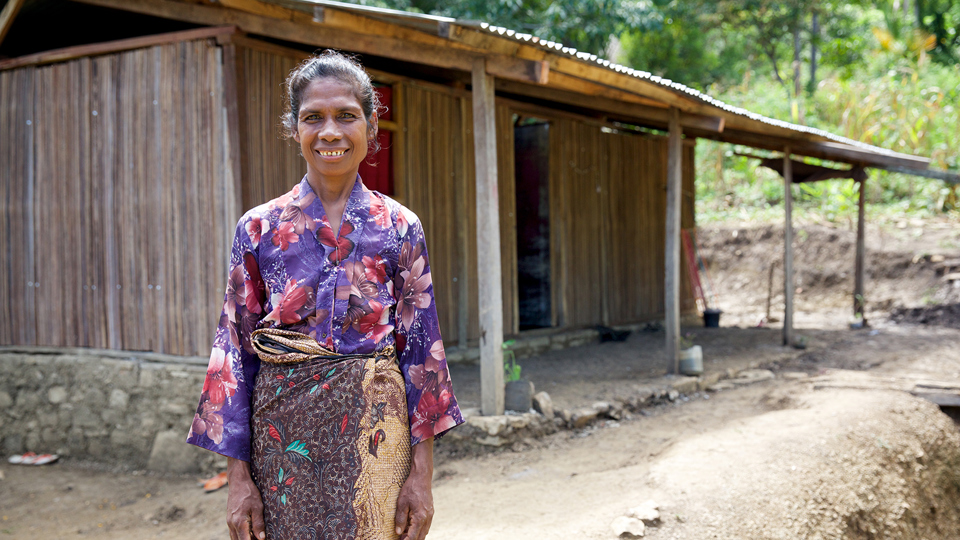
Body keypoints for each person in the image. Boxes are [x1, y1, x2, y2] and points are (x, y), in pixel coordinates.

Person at [186, 50, 463, 540]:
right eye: (313, 117)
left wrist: (421, 477)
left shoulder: (400, 227)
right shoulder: (259, 228)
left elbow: (423, 354)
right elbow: (233, 354)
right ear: (295, 128)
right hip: (282, 447)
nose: (329, 132)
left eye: (346, 116)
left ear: (371, 126)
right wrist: (239, 480)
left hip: (377, 441)